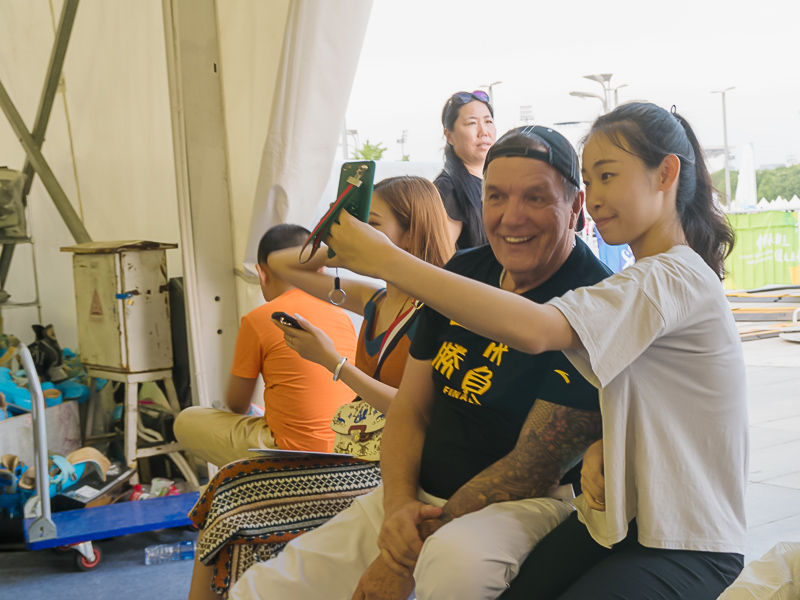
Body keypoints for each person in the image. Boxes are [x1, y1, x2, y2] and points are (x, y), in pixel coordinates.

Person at [326, 104, 747, 600]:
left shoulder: (674, 276)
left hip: (686, 538)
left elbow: (538, 329)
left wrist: (390, 261)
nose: (596, 197)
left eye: (609, 175)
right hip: (618, 522)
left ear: (666, 174)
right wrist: (605, 446)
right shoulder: (638, 282)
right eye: (589, 179)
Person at [229, 126, 612, 600]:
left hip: (527, 504)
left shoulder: (597, 298)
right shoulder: (464, 272)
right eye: (496, 196)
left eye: (536, 198)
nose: (512, 217)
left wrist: (398, 558)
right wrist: (396, 506)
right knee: (264, 590)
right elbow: (411, 406)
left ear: (576, 206)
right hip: (415, 493)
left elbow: (533, 467)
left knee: (453, 567)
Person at [185, 176, 453, 600]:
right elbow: (281, 263)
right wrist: (337, 233)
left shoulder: (438, 308)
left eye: (372, 224)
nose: (359, 234)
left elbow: (417, 409)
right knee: (228, 492)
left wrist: (334, 362)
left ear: (411, 232)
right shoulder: (376, 299)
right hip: (357, 453)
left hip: (387, 471)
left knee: (231, 493)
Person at [173, 224, 358, 467]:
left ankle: (265, 474)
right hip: (348, 448)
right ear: (321, 269)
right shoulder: (342, 316)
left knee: (186, 420)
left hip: (290, 452)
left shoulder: (261, 318)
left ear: (262, 273)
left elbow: (237, 404)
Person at [434, 90, 496, 249]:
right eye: (472, 123)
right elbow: (437, 258)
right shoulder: (447, 190)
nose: (484, 132)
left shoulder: (498, 183)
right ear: (449, 135)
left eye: (488, 121)